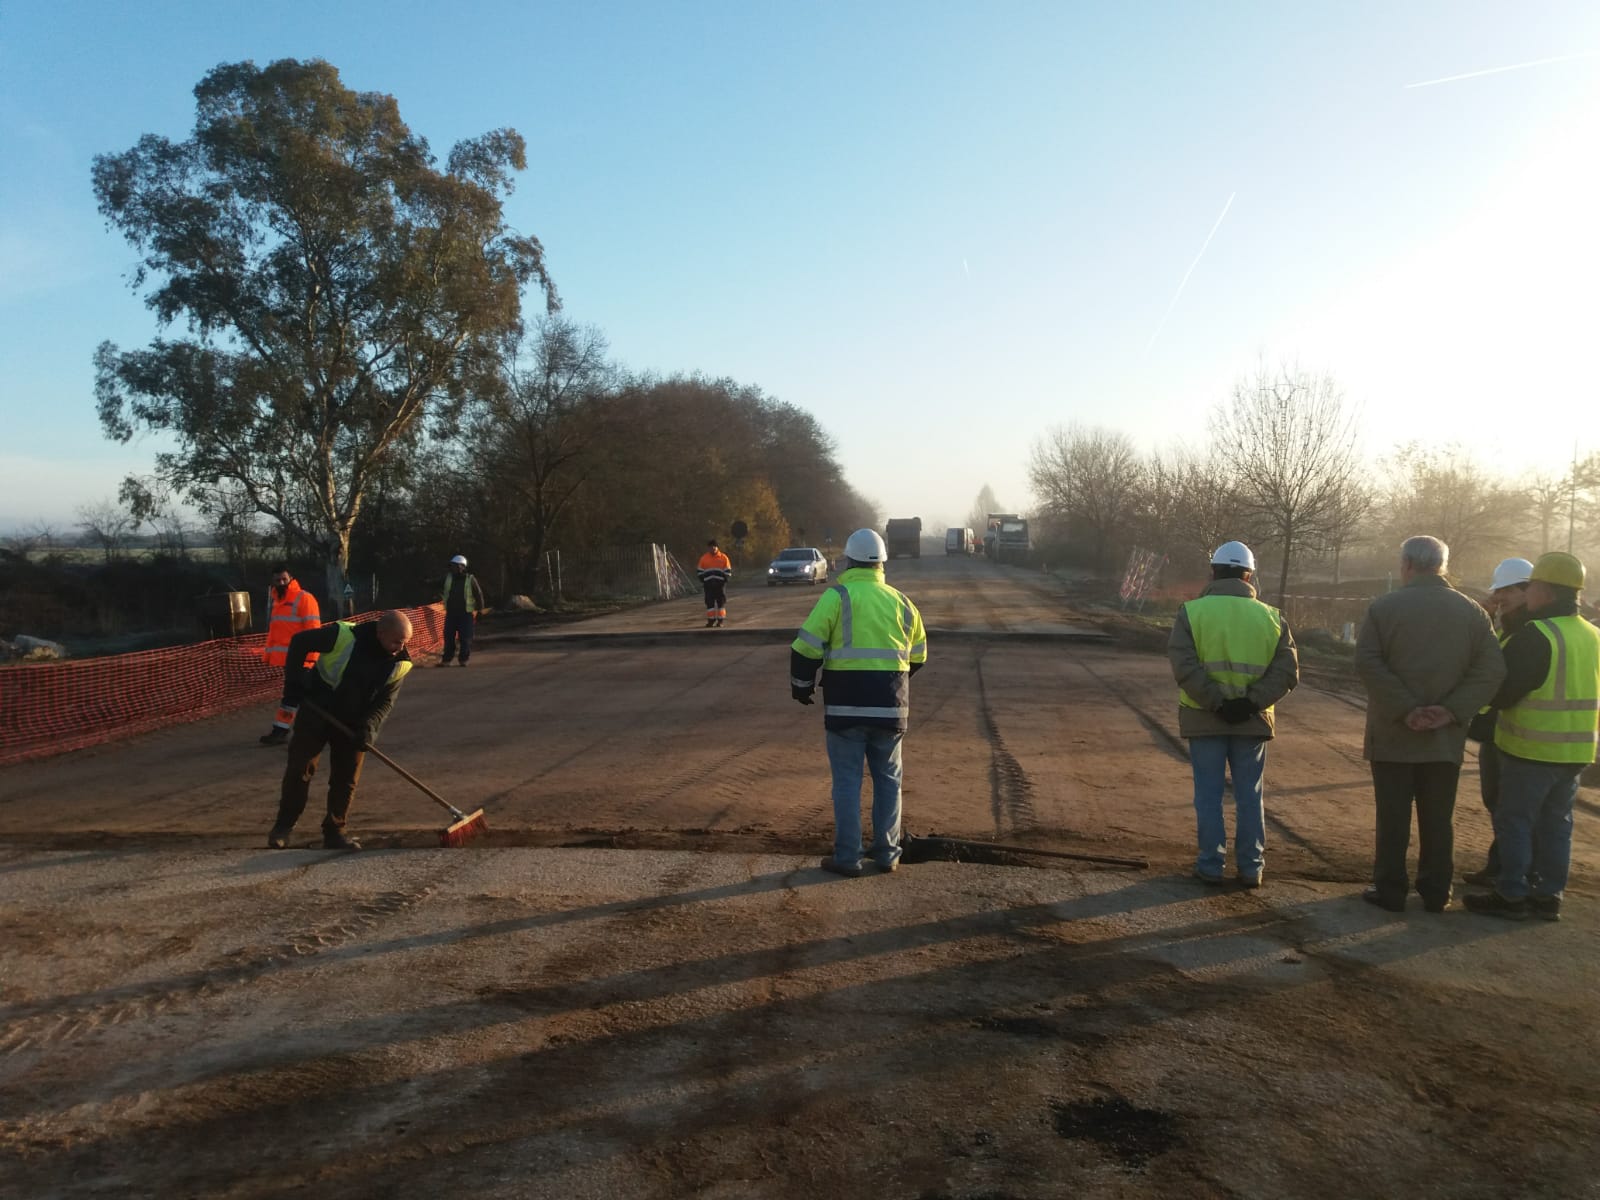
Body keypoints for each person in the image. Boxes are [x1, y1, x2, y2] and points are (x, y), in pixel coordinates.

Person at [1354, 536, 1505, 913]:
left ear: (1406, 565)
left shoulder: (1383, 609)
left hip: (1392, 736)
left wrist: (1406, 710)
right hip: (1444, 739)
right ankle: (1437, 890)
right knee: (1438, 818)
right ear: (1443, 566)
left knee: (1393, 818)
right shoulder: (1473, 613)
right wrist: (1450, 711)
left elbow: (1369, 663)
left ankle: (1390, 889)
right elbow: (1492, 670)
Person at [1464, 552, 1599, 922]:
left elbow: (1505, 693)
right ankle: (1548, 897)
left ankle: (1511, 894)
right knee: (1558, 825)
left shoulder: (1537, 636)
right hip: (1576, 751)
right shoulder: (1592, 635)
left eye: (1533, 586)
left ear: (1547, 591)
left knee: (1516, 821)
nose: (1530, 592)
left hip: (1532, 749)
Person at [790, 528, 927, 877]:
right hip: (891, 708)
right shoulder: (903, 602)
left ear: (849, 561)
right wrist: (890, 684)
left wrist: (802, 686)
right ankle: (887, 854)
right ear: (882, 563)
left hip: (845, 709)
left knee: (848, 783)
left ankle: (848, 858)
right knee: (888, 782)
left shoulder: (838, 596)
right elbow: (919, 655)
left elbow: (805, 647)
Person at [1167, 540, 1299, 888]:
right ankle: (1251, 868)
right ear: (1249, 575)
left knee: (1208, 796)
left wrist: (1218, 703)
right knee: (1249, 796)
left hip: (1204, 718)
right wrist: (1249, 703)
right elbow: (1287, 672)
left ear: (1213, 572)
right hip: (1252, 722)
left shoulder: (1191, 613)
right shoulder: (1272, 617)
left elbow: (1184, 666)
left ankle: (1210, 866)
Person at [268, 610, 414, 851]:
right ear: (380, 633)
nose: (401, 647)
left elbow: (385, 702)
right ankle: (283, 828)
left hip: (353, 721)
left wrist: (368, 728)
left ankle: (335, 831)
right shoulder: (342, 635)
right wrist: (294, 681)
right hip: (318, 709)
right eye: (397, 641)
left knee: (346, 778)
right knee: (300, 768)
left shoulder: (401, 663)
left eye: (405, 642)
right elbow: (299, 642)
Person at [1462, 557, 1535, 886]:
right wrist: (1487, 620)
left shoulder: (1529, 632)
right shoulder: (1510, 628)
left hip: (1518, 733)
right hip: (1498, 731)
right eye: (1498, 590)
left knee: (1512, 809)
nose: (1500, 596)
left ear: (1527, 590)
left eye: (1507, 590)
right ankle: (1502, 864)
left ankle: (1514, 872)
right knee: (1498, 803)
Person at [257, 563, 322, 745]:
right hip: (290, 661)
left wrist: (310, 657)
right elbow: (275, 633)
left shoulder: (304, 598)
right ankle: (282, 730)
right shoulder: (278, 601)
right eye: (277, 580)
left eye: (284, 579)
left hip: (302, 660)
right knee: (297, 696)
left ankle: (283, 731)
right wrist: (269, 656)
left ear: (291, 578)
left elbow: (313, 631)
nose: (281, 582)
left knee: (299, 696)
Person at [439, 554, 484, 666]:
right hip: (451, 614)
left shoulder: (470, 579)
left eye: (455, 566)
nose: (453, 568)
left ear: (462, 567)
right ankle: (446, 660)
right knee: (449, 637)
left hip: (466, 614)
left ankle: (463, 659)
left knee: (465, 638)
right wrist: (425, 582)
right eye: (452, 566)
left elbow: (479, 595)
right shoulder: (448, 578)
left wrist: (480, 611)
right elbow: (435, 583)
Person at [697, 540, 732, 627]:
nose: (712, 549)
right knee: (709, 603)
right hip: (708, 586)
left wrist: (723, 581)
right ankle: (711, 621)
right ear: (708, 548)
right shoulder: (704, 558)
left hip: (720, 585)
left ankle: (720, 621)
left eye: (714, 547)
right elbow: (699, 571)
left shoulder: (723, 557)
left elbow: (728, 571)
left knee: (721, 603)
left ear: (717, 547)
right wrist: (704, 581)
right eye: (710, 547)